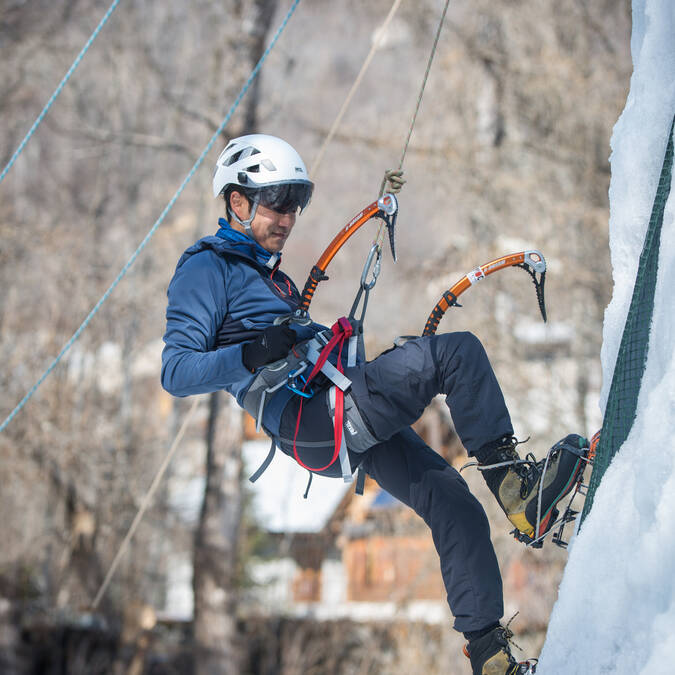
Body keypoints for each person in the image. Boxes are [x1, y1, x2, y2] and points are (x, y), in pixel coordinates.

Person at [161, 134, 588, 675]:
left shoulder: (271, 277)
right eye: (277, 201)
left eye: (296, 203)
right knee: (456, 354)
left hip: (333, 410)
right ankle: (519, 493)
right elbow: (175, 372)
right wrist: (252, 353)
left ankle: (490, 657)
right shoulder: (206, 268)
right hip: (319, 418)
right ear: (237, 202)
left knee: (453, 502)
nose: (288, 217)